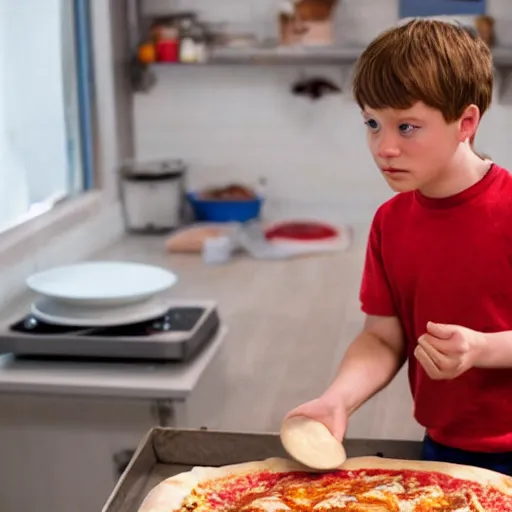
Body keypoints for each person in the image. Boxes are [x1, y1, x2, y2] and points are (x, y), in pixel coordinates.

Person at [284, 18, 512, 475]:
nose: (383, 148)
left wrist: (482, 349)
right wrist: (338, 399)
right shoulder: (390, 223)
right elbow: (382, 337)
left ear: (466, 122)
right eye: (372, 123)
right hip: (444, 447)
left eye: (406, 127)